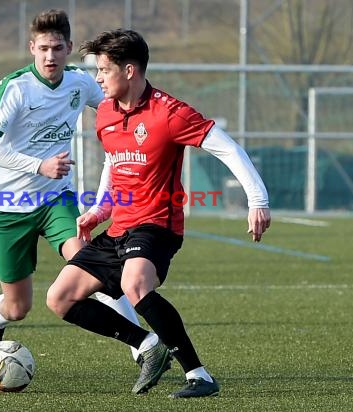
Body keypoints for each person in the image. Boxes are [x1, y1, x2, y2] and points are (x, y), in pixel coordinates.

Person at [46, 29, 271, 398]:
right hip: (119, 227)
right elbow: (112, 161)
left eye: (104, 70)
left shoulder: (170, 113)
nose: (98, 79)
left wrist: (257, 201)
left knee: (136, 284)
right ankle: (148, 345)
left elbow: (227, 148)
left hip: (156, 224)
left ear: (130, 70)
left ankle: (199, 376)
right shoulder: (104, 112)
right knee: (60, 298)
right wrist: (99, 209)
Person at [0, 10, 145, 365]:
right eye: (43, 49)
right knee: (18, 307)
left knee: (90, 264)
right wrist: (40, 165)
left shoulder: (80, 83)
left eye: (57, 48)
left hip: (56, 200)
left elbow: (117, 109)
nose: (50, 56)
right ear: (31, 48)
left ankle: (142, 348)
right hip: (10, 206)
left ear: (68, 48)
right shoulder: (15, 87)